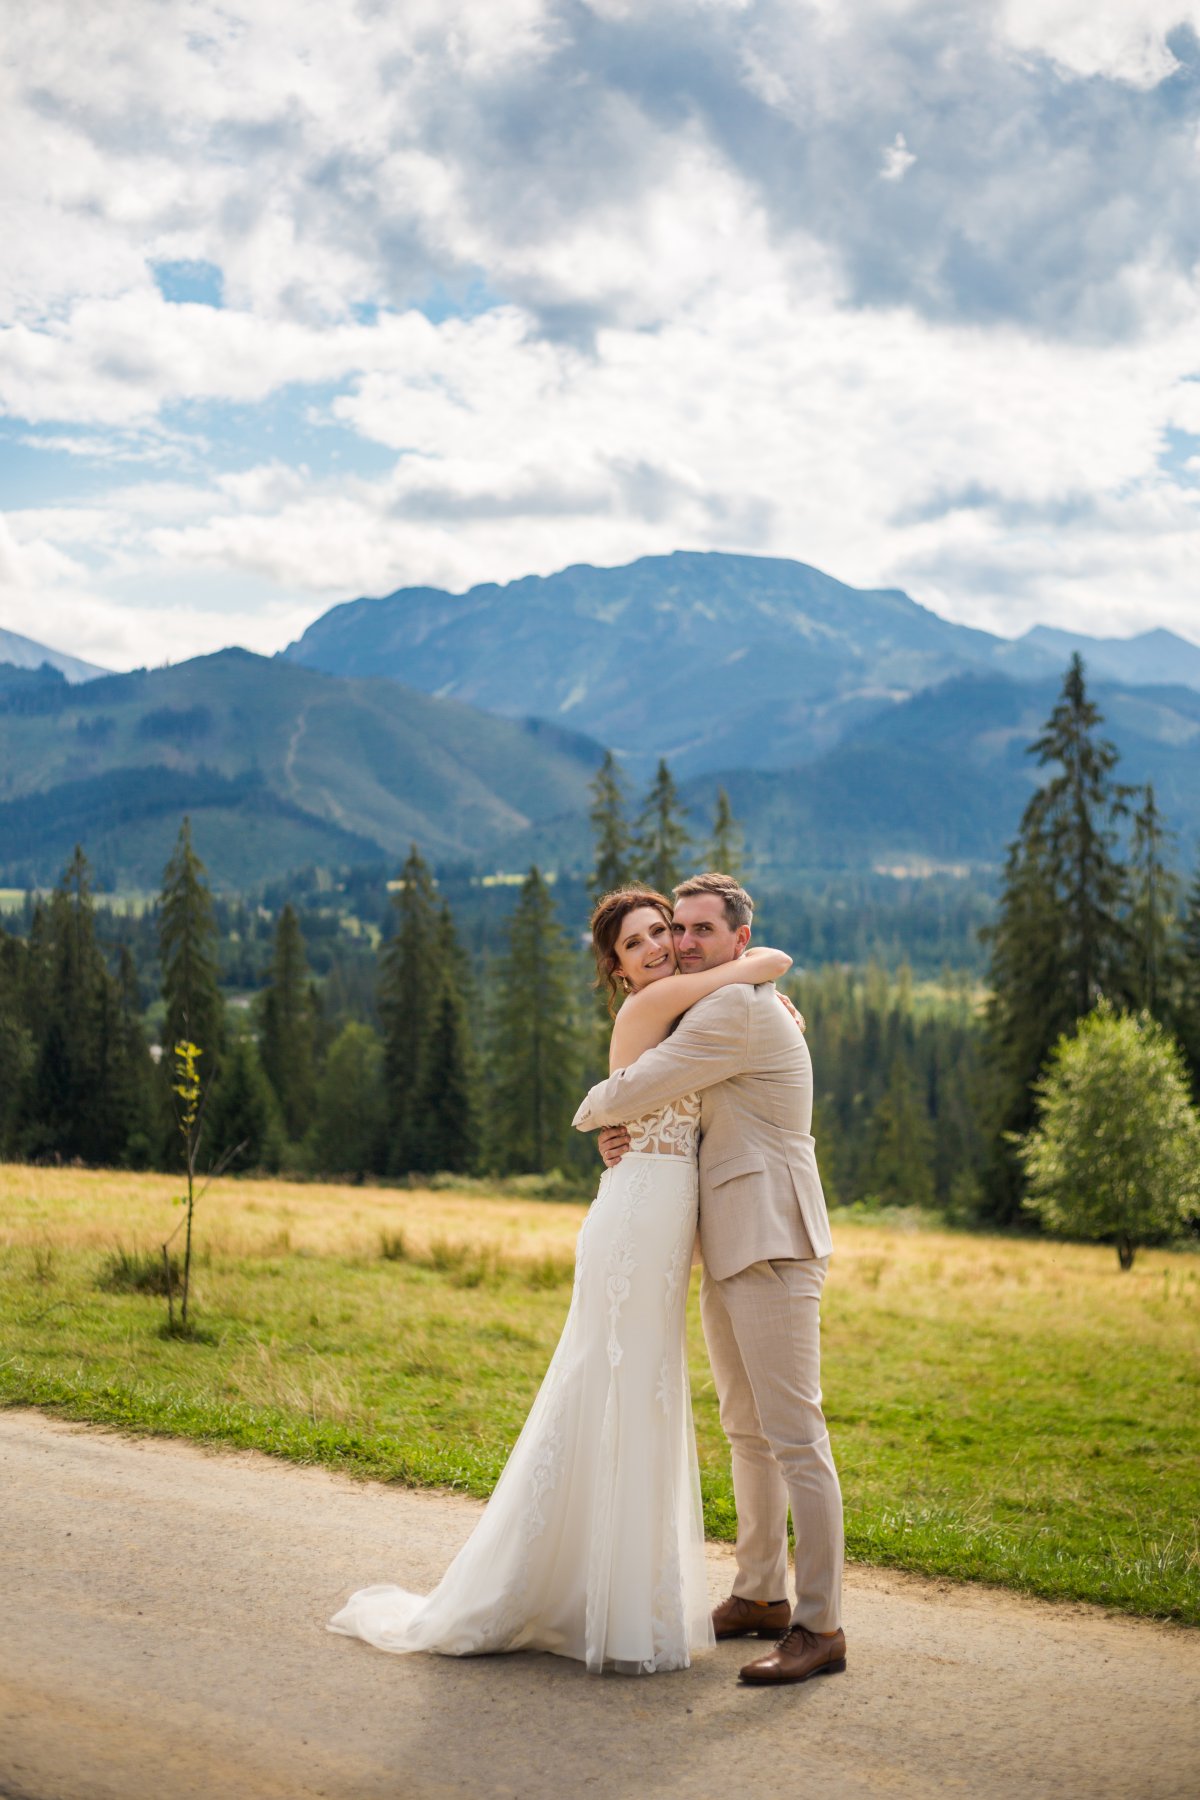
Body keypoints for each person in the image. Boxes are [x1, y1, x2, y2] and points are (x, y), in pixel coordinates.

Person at [329, 885, 792, 1676]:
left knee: (634, 1392)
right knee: (615, 1388)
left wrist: (774, 1016)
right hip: (635, 1222)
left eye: (664, 932)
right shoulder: (649, 1009)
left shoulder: (686, 1014)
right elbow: (766, 962)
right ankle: (582, 1598)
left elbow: (720, 1052)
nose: (658, 948)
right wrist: (758, 981)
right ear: (615, 970)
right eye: (639, 943)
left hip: (659, 1211)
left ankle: (608, 1591)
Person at [573, 871, 845, 1687]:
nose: (681, 944)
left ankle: (820, 1624)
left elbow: (629, 1092)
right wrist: (622, 1138)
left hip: (770, 1237)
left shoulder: (731, 1007)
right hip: (730, 1240)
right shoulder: (719, 998)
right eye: (671, 930)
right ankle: (760, 1594)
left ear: (737, 938)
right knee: (747, 1430)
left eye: (696, 931)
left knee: (796, 1436)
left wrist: (598, 1118)